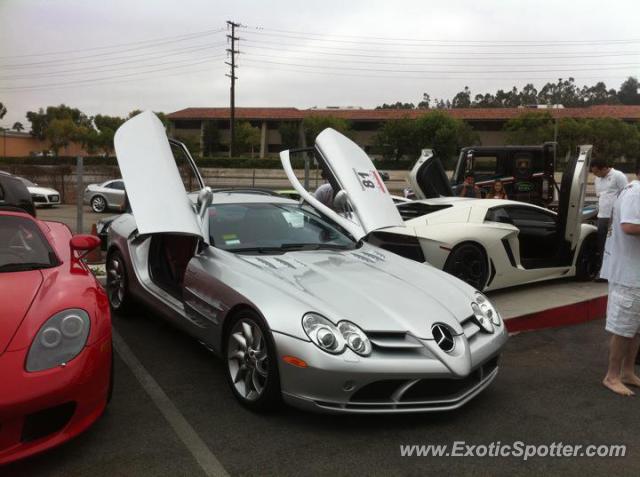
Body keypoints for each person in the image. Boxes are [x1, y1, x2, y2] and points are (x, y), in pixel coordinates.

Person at [600, 162, 640, 396]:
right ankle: (612, 376)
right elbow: (629, 227)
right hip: (629, 275)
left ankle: (627, 371)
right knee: (624, 328)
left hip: (634, 272)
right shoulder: (635, 193)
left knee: (635, 328)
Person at [591, 159, 628, 270]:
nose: (595, 175)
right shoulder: (597, 179)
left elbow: (626, 194)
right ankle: (604, 270)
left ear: (604, 168)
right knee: (602, 244)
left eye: (597, 172)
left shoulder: (618, 175)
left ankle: (617, 269)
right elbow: (600, 196)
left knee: (615, 243)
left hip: (615, 216)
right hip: (602, 216)